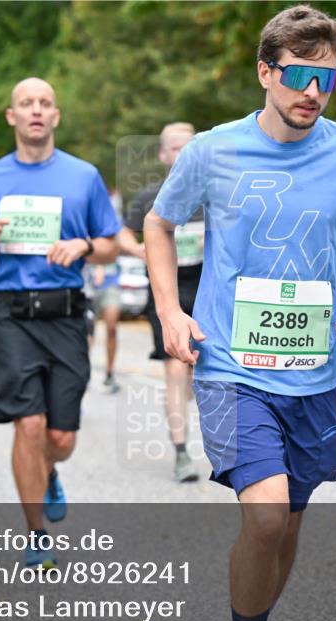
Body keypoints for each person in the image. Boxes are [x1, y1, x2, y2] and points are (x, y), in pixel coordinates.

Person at [143, 7, 336, 621]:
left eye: (327, 79)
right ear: (265, 72)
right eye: (297, 76)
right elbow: (159, 223)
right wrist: (171, 312)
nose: (312, 91)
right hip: (231, 369)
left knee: (287, 521)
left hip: (314, 375)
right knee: (265, 515)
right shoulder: (212, 151)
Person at [0, 77, 120, 568]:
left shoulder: (83, 176)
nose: (35, 110)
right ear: (12, 116)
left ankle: (49, 471)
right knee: (28, 423)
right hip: (11, 314)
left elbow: (111, 244)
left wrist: (84, 246)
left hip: (66, 314)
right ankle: (36, 534)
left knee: (59, 439)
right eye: (26, 103)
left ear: (55, 116)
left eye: (45, 103)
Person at [123, 122, 204, 483]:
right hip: (166, 289)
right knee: (175, 366)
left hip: (206, 287)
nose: (182, 153)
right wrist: (139, 249)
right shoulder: (149, 197)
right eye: (175, 148)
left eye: (189, 147)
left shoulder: (214, 195)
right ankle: (182, 452)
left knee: (198, 369)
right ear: (162, 154)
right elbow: (122, 233)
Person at [90, 261, 122, 393]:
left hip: (111, 283)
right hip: (88, 284)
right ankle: (83, 371)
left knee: (112, 328)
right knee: (88, 331)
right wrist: (97, 266)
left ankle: (109, 373)